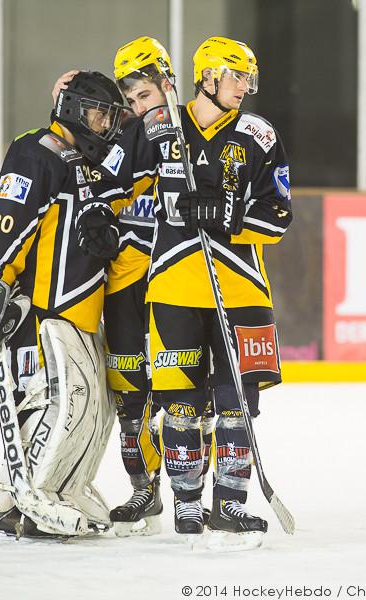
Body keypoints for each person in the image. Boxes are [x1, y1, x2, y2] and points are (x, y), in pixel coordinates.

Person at [84, 36, 293, 546]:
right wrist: (98, 214)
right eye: (236, 76)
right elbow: (110, 181)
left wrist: (228, 215)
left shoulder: (259, 135)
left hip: (241, 288)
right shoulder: (159, 126)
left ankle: (230, 503)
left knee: (236, 402)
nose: (244, 87)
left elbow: (279, 215)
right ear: (208, 76)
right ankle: (187, 503)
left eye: (247, 78)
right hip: (175, 284)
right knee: (180, 403)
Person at [0, 71, 128, 538]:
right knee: (54, 402)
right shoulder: (37, 151)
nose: (105, 126)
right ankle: (27, 496)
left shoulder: (84, 162)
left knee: (93, 408)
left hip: (82, 309)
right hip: (43, 308)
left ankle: (64, 486)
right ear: (74, 109)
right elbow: (0, 231)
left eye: (110, 117)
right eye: (99, 115)